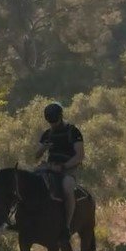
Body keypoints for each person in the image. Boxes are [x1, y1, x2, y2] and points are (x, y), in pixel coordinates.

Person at [32, 102, 84, 237]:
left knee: (67, 187)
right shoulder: (47, 134)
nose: (53, 124)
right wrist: (44, 147)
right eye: (50, 122)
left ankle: (66, 225)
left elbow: (79, 156)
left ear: (61, 117)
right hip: (49, 167)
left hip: (68, 168)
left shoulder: (73, 131)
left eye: (55, 121)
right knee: (31, 182)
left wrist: (63, 166)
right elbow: (36, 156)